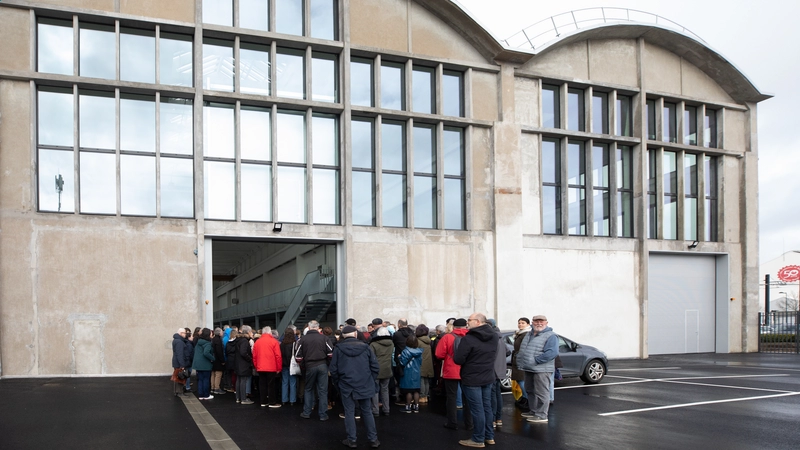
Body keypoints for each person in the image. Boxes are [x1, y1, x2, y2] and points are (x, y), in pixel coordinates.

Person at [329, 325, 381, 449]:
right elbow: (375, 367)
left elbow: (333, 369)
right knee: (367, 411)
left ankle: (352, 440)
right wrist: (370, 379)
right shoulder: (366, 347)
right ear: (356, 334)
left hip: (346, 384)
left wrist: (338, 383)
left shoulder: (338, 349)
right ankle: (373, 439)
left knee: (349, 412)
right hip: (364, 383)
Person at [453, 313, 497, 447]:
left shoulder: (469, 339)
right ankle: (489, 436)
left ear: (477, 322)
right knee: (486, 407)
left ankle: (478, 439)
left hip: (472, 377)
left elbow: (458, 359)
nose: (467, 322)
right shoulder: (494, 336)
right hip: (488, 375)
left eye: (469, 320)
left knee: (477, 409)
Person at [517, 315, 558, 424]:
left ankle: (542, 415)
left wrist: (536, 360)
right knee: (529, 390)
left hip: (541, 369)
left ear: (546, 322)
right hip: (529, 368)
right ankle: (534, 411)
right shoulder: (529, 334)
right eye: (536, 321)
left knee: (542, 392)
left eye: (541, 321)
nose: (539, 323)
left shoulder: (551, 336)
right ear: (532, 322)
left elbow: (552, 353)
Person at [435, 318, 472, 431]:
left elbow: (439, 354)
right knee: (468, 398)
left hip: (451, 369)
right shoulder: (471, 337)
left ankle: (452, 422)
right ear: (466, 326)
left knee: (451, 397)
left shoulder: (447, 337)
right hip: (467, 370)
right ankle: (469, 424)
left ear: (454, 327)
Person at [295, 320, 333, 421]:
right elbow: (331, 354)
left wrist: (303, 366)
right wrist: (327, 364)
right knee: (323, 391)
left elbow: (298, 357)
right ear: (318, 327)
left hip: (309, 366)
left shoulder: (303, 339)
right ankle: (323, 414)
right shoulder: (324, 338)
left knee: (308, 389)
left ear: (309, 327)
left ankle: (307, 412)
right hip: (322, 365)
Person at [253, 326, 282, 408]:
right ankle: (272, 402)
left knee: (262, 384)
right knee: (271, 385)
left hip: (260, 366)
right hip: (271, 366)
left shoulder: (257, 342)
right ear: (270, 332)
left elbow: (254, 356)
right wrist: (278, 368)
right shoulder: (274, 341)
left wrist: (256, 366)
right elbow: (278, 356)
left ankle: (263, 401)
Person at [369, 326, 393, 416]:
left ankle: (375, 410)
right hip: (387, 368)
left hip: (376, 369)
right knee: (385, 390)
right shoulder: (391, 343)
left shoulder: (373, 344)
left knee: (375, 390)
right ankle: (386, 409)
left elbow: (370, 358)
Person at [398, 334, 424, 413]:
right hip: (416, 372)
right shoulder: (419, 351)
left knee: (408, 390)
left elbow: (403, 362)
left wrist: (399, 357)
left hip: (408, 372)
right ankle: (416, 406)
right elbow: (420, 362)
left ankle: (408, 407)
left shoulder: (406, 351)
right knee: (416, 390)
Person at [511, 317, 531, 407]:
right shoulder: (519, 334)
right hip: (517, 359)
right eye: (519, 323)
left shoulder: (526, 334)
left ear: (528, 324)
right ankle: (524, 397)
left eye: (523, 323)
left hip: (522, 360)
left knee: (522, 380)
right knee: (519, 380)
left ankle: (527, 399)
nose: (520, 324)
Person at [193, 328, 215, 400]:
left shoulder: (199, 342)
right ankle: (206, 395)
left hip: (198, 364)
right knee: (206, 380)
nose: (212, 334)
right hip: (205, 364)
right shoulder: (207, 343)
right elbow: (206, 353)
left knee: (200, 380)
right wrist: (213, 358)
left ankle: (201, 395)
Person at [235, 326, 255, 405]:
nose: (252, 333)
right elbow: (243, 352)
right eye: (251, 332)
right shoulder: (244, 341)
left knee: (239, 380)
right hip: (243, 364)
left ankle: (238, 397)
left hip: (238, 363)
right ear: (248, 332)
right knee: (243, 380)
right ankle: (243, 398)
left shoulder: (238, 340)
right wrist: (249, 359)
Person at [415, 325, 434, 404]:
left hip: (421, 362)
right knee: (426, 380)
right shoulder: (428, 340)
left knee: (421, 380)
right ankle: (425, 396)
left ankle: (422, 396)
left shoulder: (418, 341)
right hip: (428, 362)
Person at [280, 327, 298, 405]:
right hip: (292, 365)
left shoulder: (282, 344)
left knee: (284, 382)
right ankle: (292, 400)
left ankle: (284, 399)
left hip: (284, 364)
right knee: (293, 382)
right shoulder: (294, 343)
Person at [171, 328, 190, 396]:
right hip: (179, 363)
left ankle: (177, 392)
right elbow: (180, 354)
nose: (185, 334)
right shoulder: (179, 342)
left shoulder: (176, 340)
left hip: (177, 362)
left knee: (178, 377)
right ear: (181, 333)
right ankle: (179, 392)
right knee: (180, 377)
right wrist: (182, 365)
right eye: (184, 333)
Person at [211, 328, 226, 395]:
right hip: (218, 360)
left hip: (213, 359)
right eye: (222, 332)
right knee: (218, 374)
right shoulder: (219, 340)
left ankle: (212, 387)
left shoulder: (213, 339)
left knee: (213, 374)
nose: (222, 333)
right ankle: (217, 388)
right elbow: (219, 351)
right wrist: (222, 360)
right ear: (219, 333)